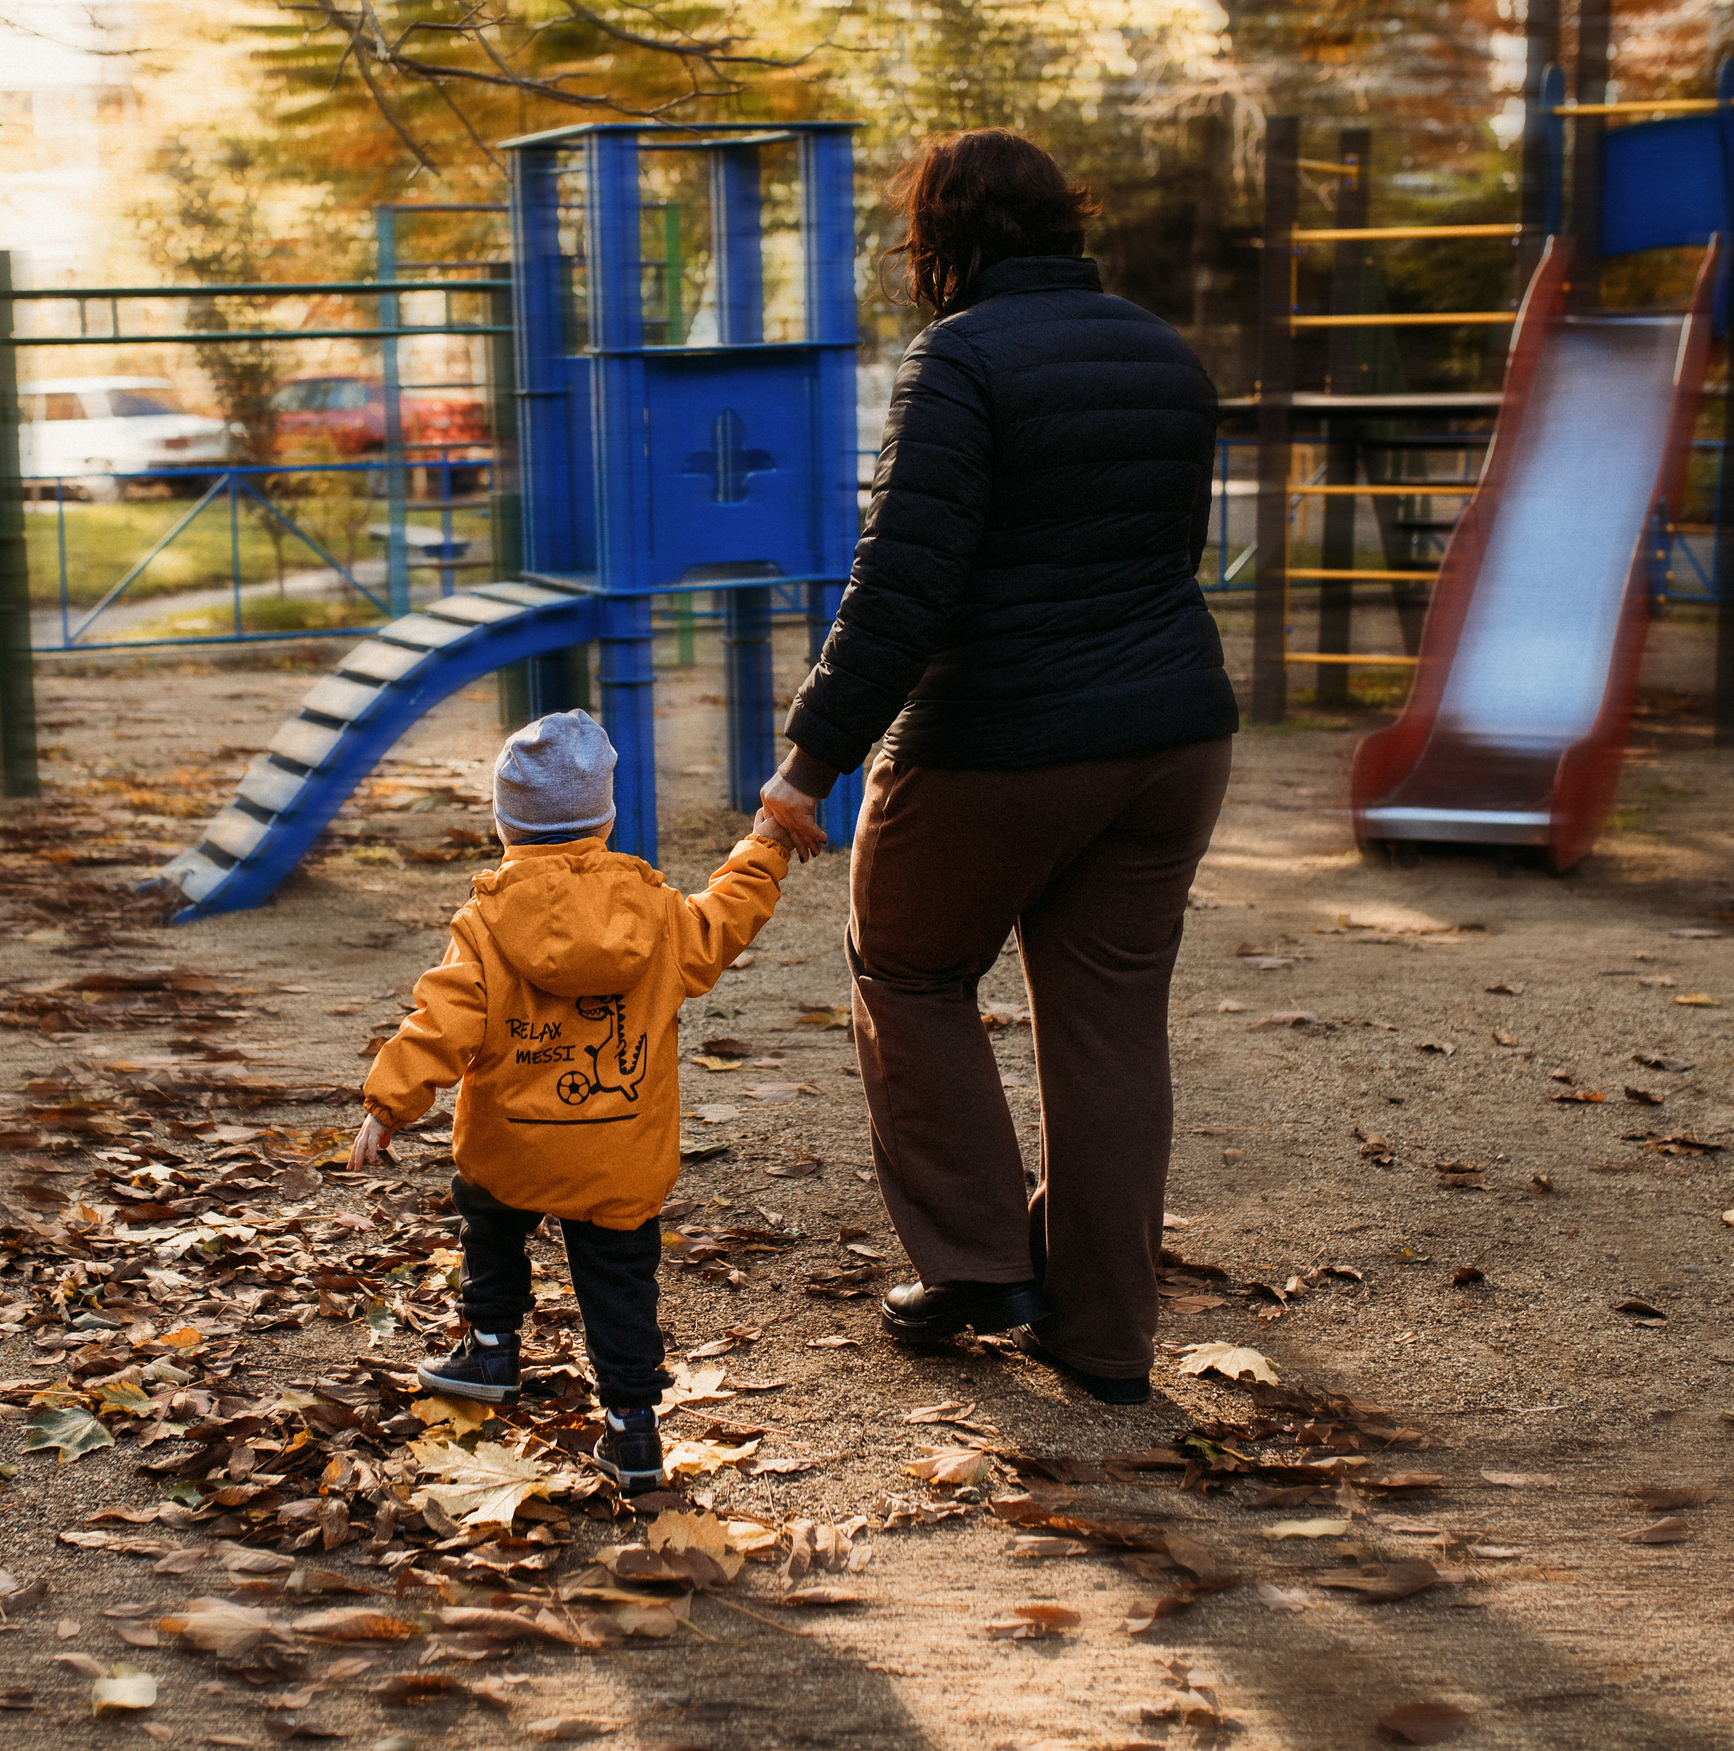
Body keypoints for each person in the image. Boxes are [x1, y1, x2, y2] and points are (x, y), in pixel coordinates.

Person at [757, 128, 1236, 1406]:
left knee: (907, 965)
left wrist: (809, 763)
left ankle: (974, 1263)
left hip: (1008, 736)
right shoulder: (1164, 352)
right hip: (1175, 738)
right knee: (1111, 1026)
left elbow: (901, 586)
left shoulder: (958, 358)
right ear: (1064, 222)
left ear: (943, 244)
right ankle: (1104, 1339)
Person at [348, 710, 795, 1488]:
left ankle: (489, 1347)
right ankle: (633, 1431)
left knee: (488, 1213)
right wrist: (765, 846)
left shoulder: (486, 923)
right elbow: (727, 919)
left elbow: (441, 1022)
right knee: (620, 1280)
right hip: (620, 1152)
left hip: (514, 1143)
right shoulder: (656, 916)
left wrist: (387, 1105)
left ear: (504, 828)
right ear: (609, 817)